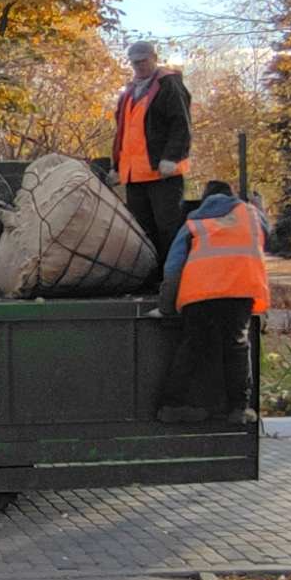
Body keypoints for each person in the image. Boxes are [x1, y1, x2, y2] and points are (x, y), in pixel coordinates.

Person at [157, 180, 270, 425]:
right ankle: (239, 410)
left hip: (198, 295)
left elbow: (173, 267)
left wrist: (166, 306)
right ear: (232, 196)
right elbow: (267, 233)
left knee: (192, 346)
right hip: (239, 292)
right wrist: (258, 205)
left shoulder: (194, 220)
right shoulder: (250, 215)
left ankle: (171, 406)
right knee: (237, 346)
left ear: (205, 199)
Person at [110, 40, 192, 281]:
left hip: (163, 174)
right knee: (142, 232)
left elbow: (181, 124)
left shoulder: (169, 85)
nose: (139, 66)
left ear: (154, 58)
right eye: (135, 62)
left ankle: (174, 280)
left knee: (168, 228)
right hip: (134, 175)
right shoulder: (129, 92)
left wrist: (171, 158)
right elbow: (122, 132)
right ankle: (151, 280)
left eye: (143, 61)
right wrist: (117, 167)